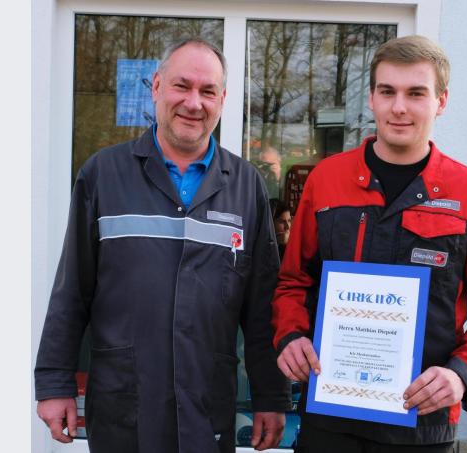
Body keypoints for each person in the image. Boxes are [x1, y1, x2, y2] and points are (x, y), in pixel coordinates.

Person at [35, 38, 291, 453]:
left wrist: (271, 396)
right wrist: (53, 383)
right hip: (124, 404)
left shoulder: (245, 187)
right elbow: (72, 290)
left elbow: (261, 307)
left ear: (222, 100)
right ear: (155, 87)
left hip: (207, 408)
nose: (194, 102)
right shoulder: (104, 174)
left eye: (208, 91)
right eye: (181, 86)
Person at [271, 35, 467, 452]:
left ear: (441, 101)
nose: (399, 107)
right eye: (387, 91)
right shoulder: (327, 182)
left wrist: (461, 375)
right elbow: (292, 282)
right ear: (371, 98)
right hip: (331, 418)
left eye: (416, 93)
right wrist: (291, 335)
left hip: (422, 425)